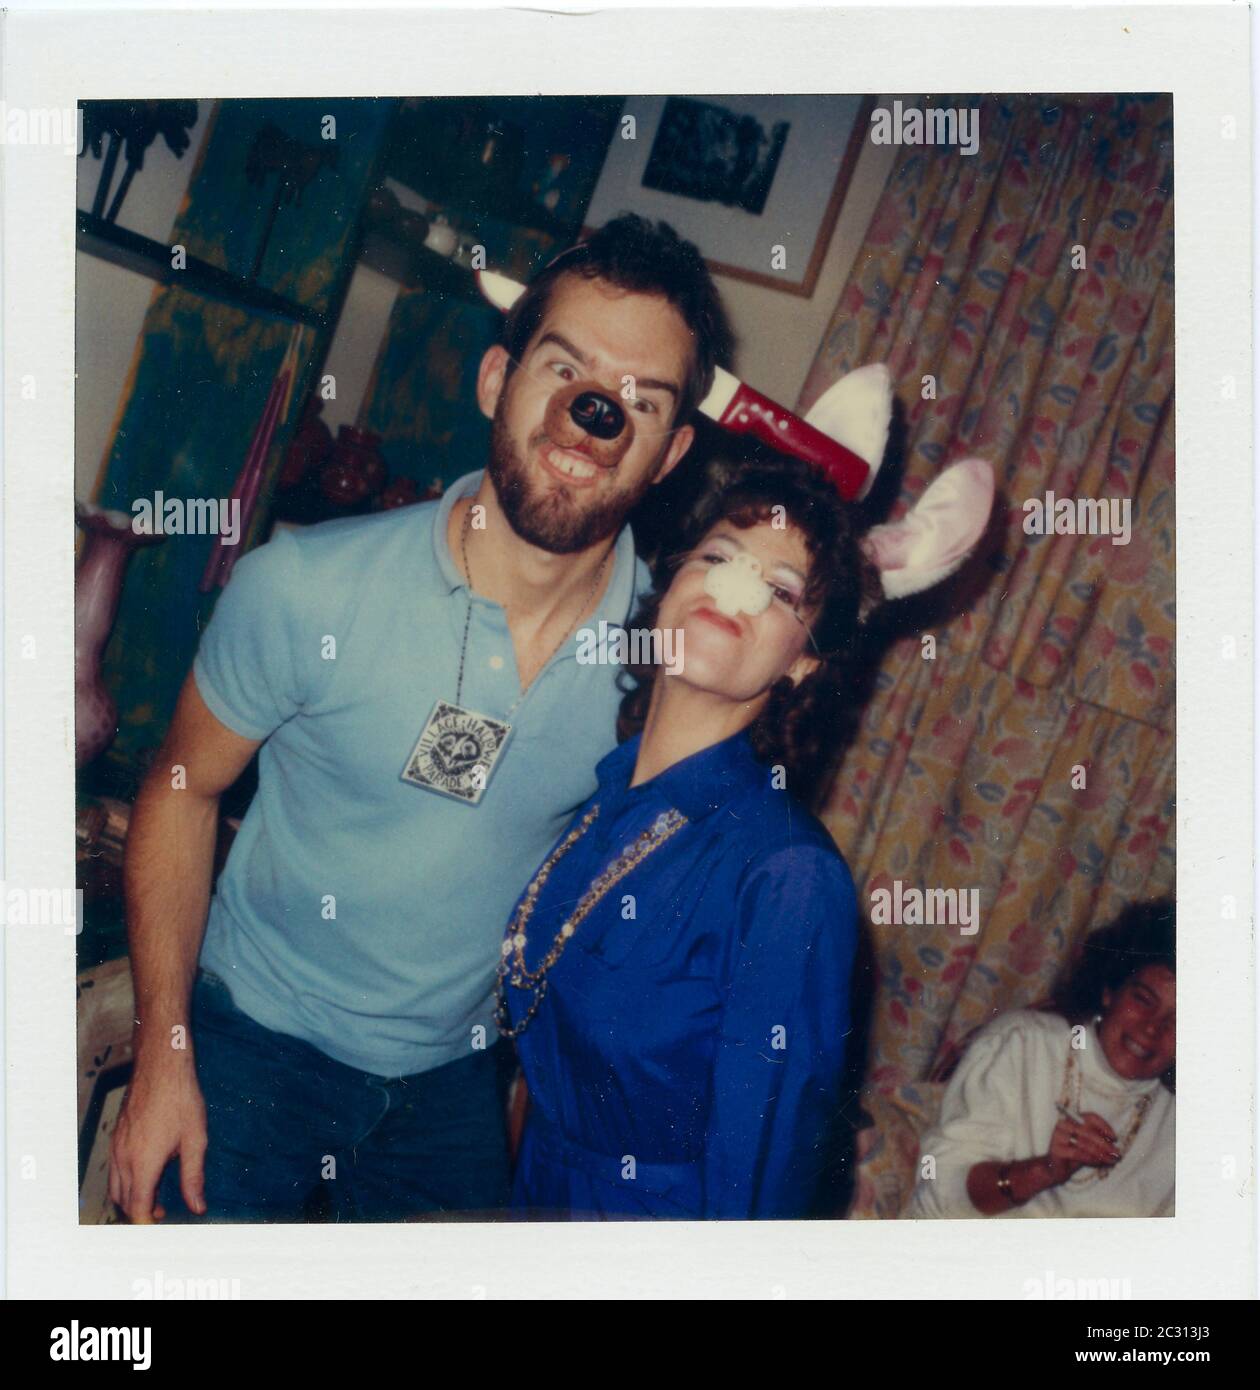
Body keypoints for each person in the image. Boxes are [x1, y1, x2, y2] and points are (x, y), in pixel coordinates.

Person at [109, 214, 734, 1223]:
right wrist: (162, 1057)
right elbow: (182, 786)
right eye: (565, 367)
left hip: (451, 1089)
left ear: (668, 452)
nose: (594, 415)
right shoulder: (305, 589)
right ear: (498, 381)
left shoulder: (666, 663)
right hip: (254, 1044)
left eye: (640, 399)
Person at [500, 454, 869, 1219]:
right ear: (669, 588)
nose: (732, 589)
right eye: (718, 557)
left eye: (779, 591)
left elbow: (762, 1189)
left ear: (802, 661)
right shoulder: (601, 800)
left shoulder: (787, 876)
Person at [906, 899, 1176, 1218]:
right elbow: (937, 1194)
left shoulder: (1186, 1122)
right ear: (1109, 991)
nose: (1152, 1028)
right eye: (1143, 1000)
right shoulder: (1023, 1044)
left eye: (1179, 1020)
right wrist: (1042, 1171)